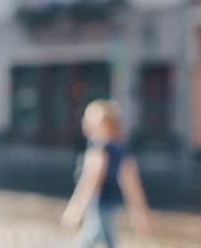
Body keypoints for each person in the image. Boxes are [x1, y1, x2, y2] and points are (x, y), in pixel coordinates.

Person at [61, 99, 152, 248]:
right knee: (100, 235)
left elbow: (91, 182)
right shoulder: (121, 150)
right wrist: (139, 213)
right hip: (110, 205)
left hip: (99, 204)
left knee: (92, 237)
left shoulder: (99, 149)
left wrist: (76, 208)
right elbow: (131, 184)